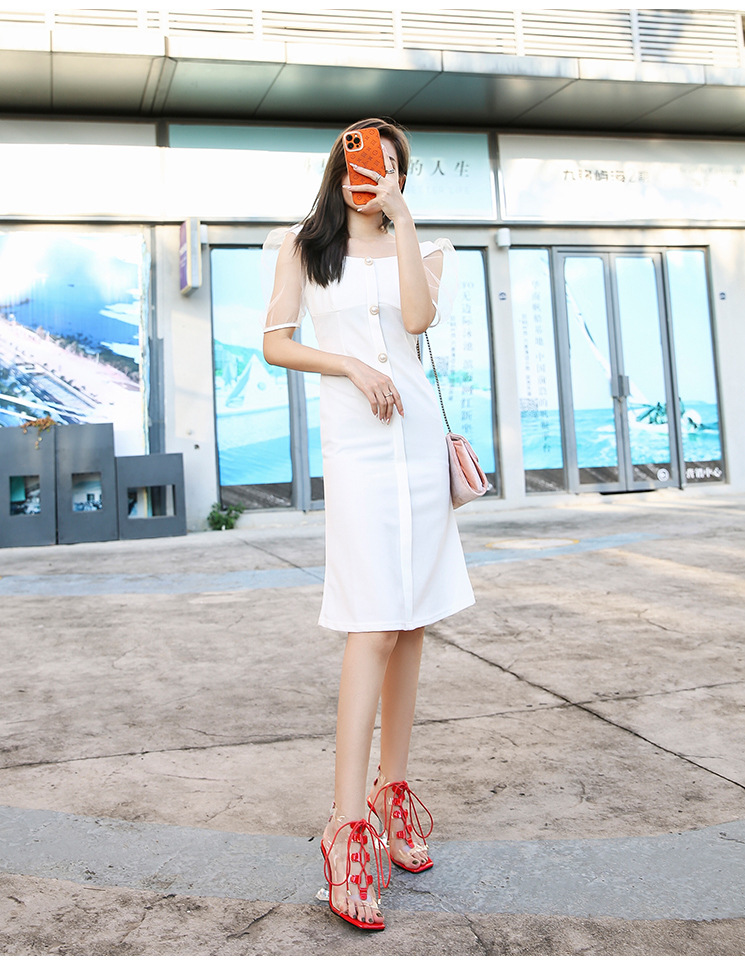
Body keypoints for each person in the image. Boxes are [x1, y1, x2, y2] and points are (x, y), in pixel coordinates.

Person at [263, 117, 474, 931]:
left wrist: (403, 218)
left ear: (399, 176)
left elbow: (417, 322)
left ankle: (393, 789)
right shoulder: (302, 247)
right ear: (339, 167)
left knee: (412, 618)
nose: (371, 172)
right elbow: (275, 343)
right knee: (373, 621)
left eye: (388, 165)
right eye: (360, 159)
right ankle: (346, 824)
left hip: (417, 442)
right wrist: (348, 363)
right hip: (357, 447)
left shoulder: (422, 246)